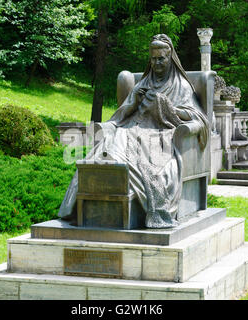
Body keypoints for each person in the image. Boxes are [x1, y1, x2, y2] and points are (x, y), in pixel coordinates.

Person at [58, 34, 209, 228]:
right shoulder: (143, 83)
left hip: (160, 133)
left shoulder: (181, 86)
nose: (157, 63)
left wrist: (164, 104)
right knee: (113, 140)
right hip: (131, 128)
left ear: (170, 57)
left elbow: (196, 117)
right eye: (153, 59)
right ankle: (103, 176)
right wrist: (133, 102)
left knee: (143, 152)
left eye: (161, 58)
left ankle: (119, 171)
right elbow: (121, 115)